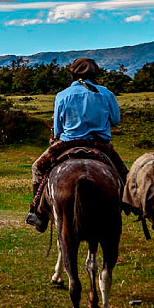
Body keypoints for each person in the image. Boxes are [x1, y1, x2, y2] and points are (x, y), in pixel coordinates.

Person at [25, 57, 129, 232]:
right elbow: (116, 120)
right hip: (100, 144)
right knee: (123, 171)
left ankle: (39, 213)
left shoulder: (62, 95)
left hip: (68, 142)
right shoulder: (106, 93)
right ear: (95, 74)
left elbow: (57, 130)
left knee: (37, 168)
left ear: (73, 74)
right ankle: (128, 204)